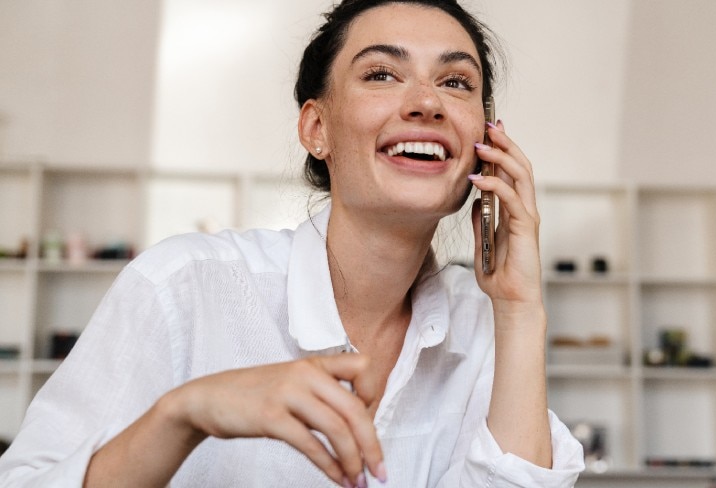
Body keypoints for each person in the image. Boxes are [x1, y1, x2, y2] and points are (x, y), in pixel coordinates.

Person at [0, 0, 584, 486]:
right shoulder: (183, 286)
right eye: (382, 73)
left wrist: (519, 309)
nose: (427, 102)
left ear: (485, 142)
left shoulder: (482, 322)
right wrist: (183, 414)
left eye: (456, 83)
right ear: (316, 129)